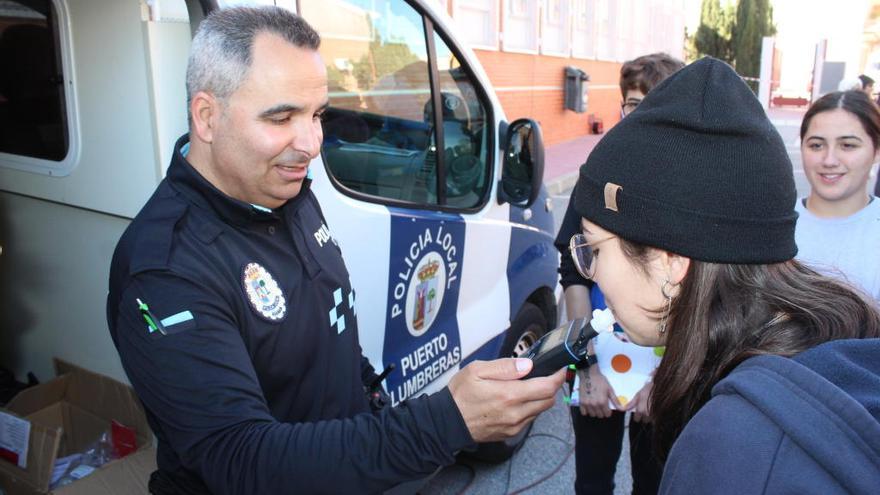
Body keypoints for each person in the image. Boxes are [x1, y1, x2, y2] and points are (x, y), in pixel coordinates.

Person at [106, 7, 564, 495]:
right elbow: (240, 460)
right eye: (281, 117)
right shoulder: (165, 270)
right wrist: (444, 422)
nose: (310, 143)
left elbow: (332, 328)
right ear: (207, 116)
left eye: (317, 114)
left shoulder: (286, 189)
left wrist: (372, 401)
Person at [567, 56, 880, 493]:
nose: (591, 274)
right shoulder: (842, 339)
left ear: (672, 261)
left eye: (595, 249)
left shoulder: (727, 451)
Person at [555, 52, 683, 495]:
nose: (640, 115)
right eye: (632, 102)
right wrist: (585, 369)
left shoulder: (693, 188)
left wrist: (666, 384)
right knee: (592, 482)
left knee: (655, 484)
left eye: (654, 103)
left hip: (667, 374)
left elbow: (703, 293)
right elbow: (573, 275)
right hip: (599, 366)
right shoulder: (596, 177)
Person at [795, 90, 880, 301]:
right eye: (816, 145)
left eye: (848, 145)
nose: (829, 160)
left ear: (877, 151)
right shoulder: (771, 226)